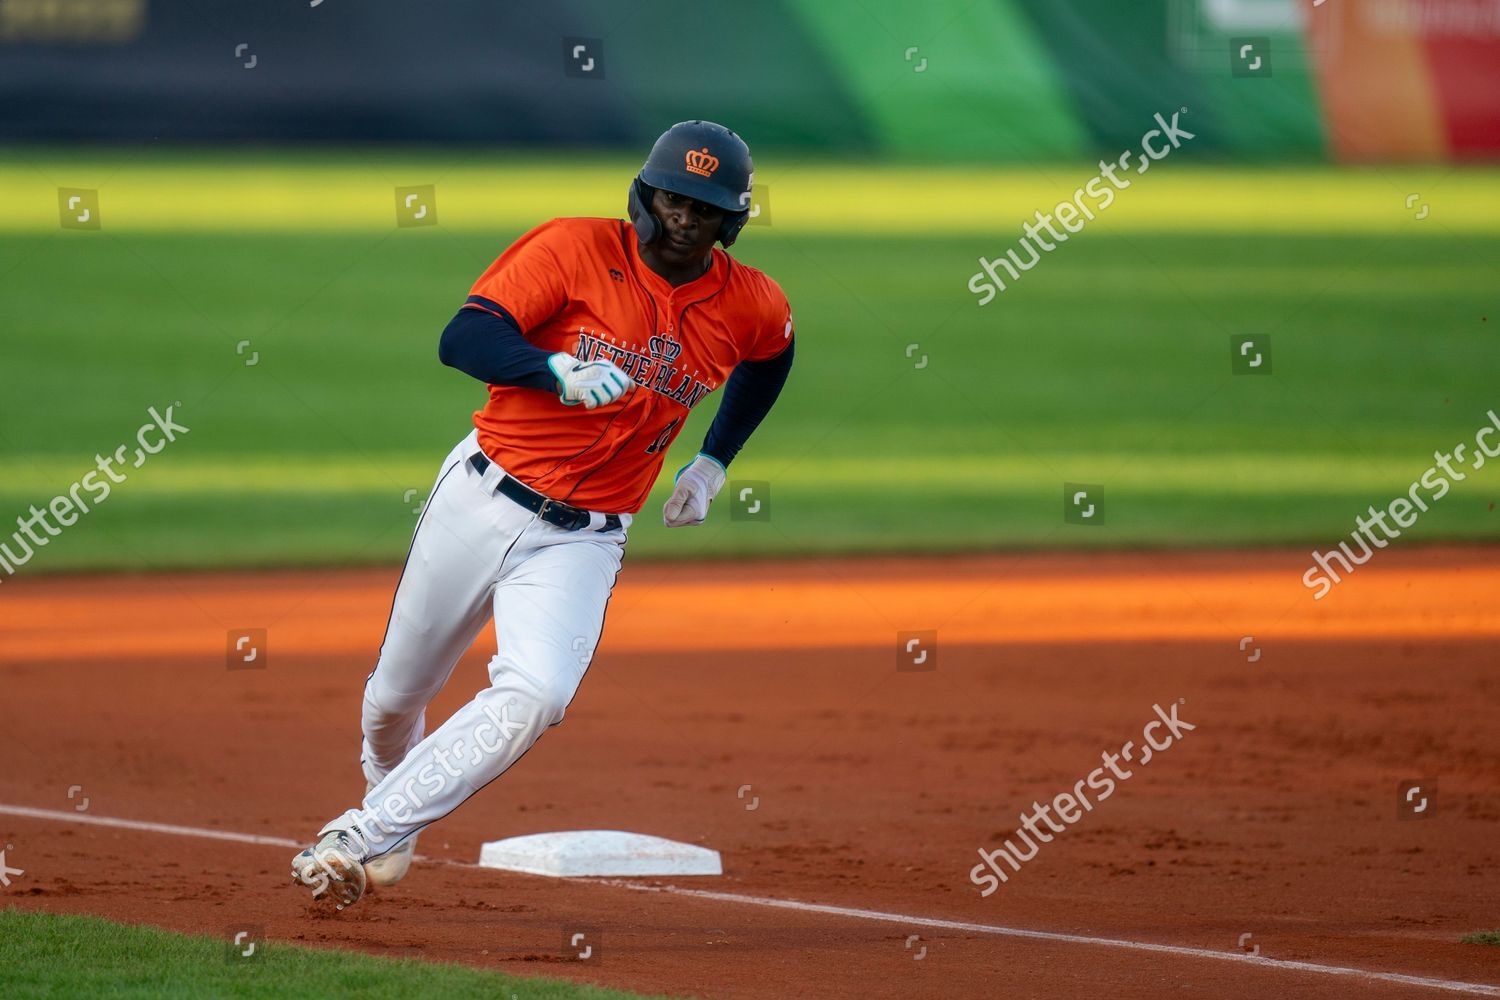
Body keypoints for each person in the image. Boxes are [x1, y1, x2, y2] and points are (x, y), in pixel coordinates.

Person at [291, 120, 795, 909]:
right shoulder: (570, 248)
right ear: (645, 193)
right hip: (481, 496)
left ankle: (358, 837)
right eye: (672, 197)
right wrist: (551, 369)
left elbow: (772, 359)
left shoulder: (750, 302)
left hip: (584, 539)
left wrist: (714, 460)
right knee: (394, 699)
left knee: (539, 694)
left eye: (702, 205)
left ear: (731, 217)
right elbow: (464, 337)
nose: (683, 217)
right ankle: (390, 795)